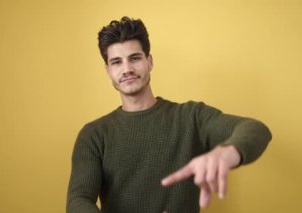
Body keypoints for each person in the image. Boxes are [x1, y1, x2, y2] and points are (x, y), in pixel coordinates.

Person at [67, 16, 272, 213]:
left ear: (150, 62)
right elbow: (78, 201)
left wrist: (226, 153)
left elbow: (256, 129)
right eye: (116, 62)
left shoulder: (191, 117)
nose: (127, 69)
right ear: (108, 70)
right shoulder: (93, 134)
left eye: (135, 58)